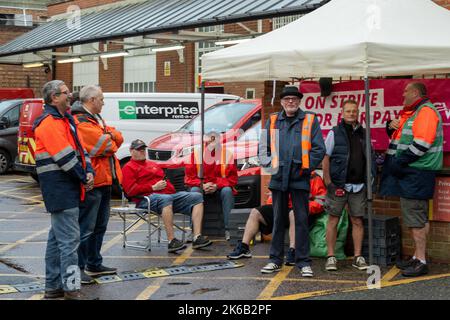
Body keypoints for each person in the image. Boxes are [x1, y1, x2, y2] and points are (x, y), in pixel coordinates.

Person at [34, 80, 95, 300]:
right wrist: (83, 176)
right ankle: (71, 289)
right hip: (60, 188)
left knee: (57, 239)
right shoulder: (49, 123)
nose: (70, 95)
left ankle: (53, 287)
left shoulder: (66, 120)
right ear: (54, 98)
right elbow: (65, 158)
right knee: (69, 241)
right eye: (65, 93)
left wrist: (88, 171)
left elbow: (81, 150)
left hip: (65, 187)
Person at [258, 85, 325, 277]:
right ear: (281, 102)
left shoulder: (310, 120)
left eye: (294, 99)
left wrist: (306, 167)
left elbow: (319, 149)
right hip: (279, 177)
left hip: (300, 177)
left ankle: (303, 262)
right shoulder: (272, 121)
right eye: (287, 99)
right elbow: (263, 150)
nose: (291, 102)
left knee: (302, 220)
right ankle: (274, 260)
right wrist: (273, 166)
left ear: (299, 101)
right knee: (278, 219)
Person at [380, 82, 443, 277]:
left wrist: (400, 162)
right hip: (415, 172)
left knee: (415, 218)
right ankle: (418, 256)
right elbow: (403, 138)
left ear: (415, 92)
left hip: (415, 172)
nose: (402, 95)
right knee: (419, 216)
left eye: (405, 91)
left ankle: (421, 261)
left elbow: (422, 143)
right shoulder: (415, 112)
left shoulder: (425, 111)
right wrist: (390, 127)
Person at [122, 139, 212, 252]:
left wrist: (168, 188)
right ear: (131, 151)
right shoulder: (128, 167)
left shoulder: (153, 164)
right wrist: (153, 187)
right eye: (139, 150)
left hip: (165, 195)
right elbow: (130, 191)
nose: (142, 152)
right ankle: (171, 240)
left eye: (143, 149)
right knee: (167, 199)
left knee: (196, 196)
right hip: (145, 199)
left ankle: (197, 237)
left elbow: (167, 183)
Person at [72, 85, 123, 284]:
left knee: (100, 226)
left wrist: (109, 134)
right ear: (91, 100)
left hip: (104, 180)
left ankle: (94, 262)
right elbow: (106, 145)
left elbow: (114, 138)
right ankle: (79, 267)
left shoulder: (95, 119)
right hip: (93, 182)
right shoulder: (81, 120)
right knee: (86, 228)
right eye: (101, 99)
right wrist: (109, 135)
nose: (103, 102)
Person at [227, 171, 326, 262]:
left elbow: (321, 202)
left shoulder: (312, 176)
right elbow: (272, 198)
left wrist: (303, 207)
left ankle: (293, 251)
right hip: (284, 209)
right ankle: (244, 248)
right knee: (255, 212)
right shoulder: (281, 173)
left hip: (304, 211)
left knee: (293, 214)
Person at [322, 99, 375, 272]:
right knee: (333, 220)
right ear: (342, 113)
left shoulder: (364, 133)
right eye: (348, 111)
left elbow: (369, 157)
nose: (352, 114)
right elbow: (326, 157)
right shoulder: (334, 132)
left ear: (358, 112)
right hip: (338, 185)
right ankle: (331, 257)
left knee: (357, 220)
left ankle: (358, 257)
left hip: (358, 185)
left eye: (354, 111)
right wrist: (328, 182)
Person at [185, 131, 238, 240]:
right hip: (201, 187)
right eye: (208, 142)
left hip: (219, 188)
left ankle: (229, 230)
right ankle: (194, 231)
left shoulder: (227, 154)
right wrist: (202, 185)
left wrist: (216, 185)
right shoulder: (196, 154)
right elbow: (188, 178)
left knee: (227, 191)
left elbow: (233, 179)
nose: (210, 144)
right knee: (194, 191)